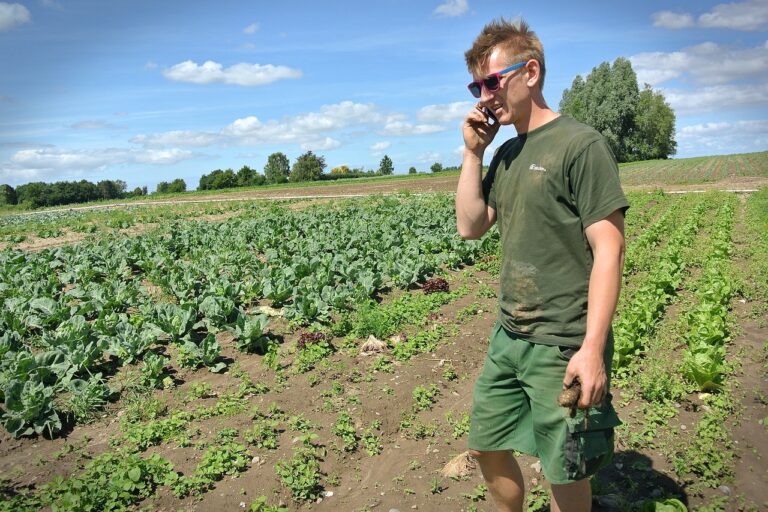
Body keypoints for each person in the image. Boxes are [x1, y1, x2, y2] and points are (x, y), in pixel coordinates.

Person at [456, 18, 629, 512]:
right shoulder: (505, 153)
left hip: (562, 342)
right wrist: (473, 153)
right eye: (477, 86)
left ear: (529, 72)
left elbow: (609, 250)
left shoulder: (581, 145)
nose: (485, 95)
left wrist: (592, 348)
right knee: (486, 445)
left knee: (563, 470)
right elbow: (470, 225)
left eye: (492, 81)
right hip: (508, 335)